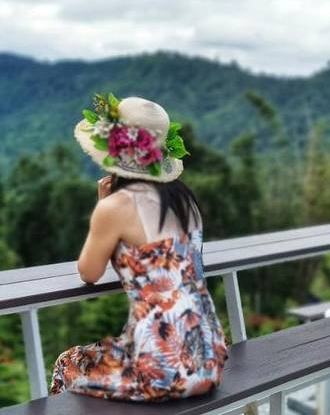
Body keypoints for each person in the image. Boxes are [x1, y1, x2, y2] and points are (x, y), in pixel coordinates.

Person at [49, 94, 229, 401]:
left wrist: (103, 205)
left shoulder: (116, 206)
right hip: (208, 357)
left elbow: (89, 271)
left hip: (161, 367)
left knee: (67, 363)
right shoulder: (186, 202)